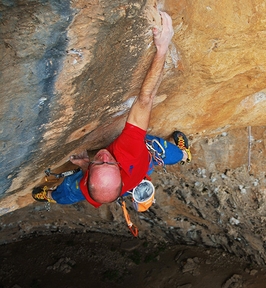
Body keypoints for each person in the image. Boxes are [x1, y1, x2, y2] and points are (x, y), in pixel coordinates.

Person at [32, 11, 191, 207]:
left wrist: (84, 165)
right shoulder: (128, 152)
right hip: (142, 161)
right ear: (119, 168)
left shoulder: (89, 187)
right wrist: (162, 48)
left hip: (107, 181)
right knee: (165, 152)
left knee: (68, 194)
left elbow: (96, 175)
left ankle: (51, 196)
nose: (104, 157)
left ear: (89, 177)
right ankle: (185, 155)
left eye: (98, 162)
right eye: (109, 162)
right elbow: (145, 99)